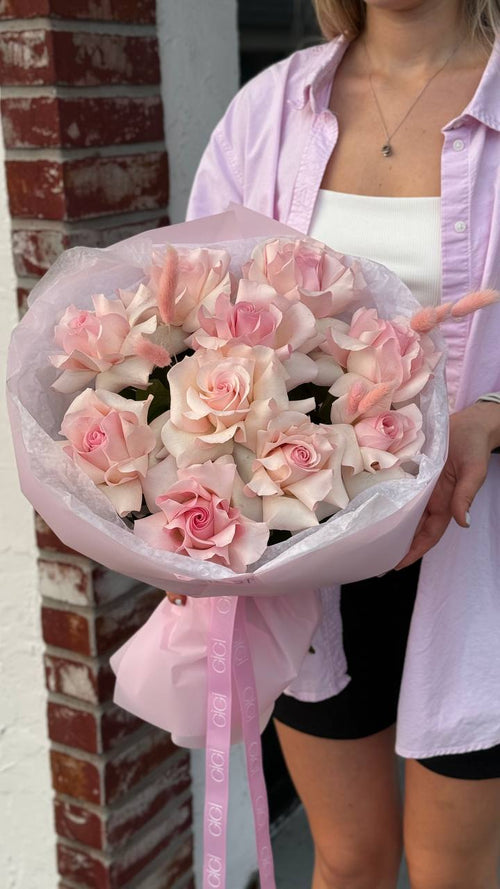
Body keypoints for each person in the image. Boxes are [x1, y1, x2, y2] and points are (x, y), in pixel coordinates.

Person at [170, 2, 500, 887]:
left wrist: (492, 413)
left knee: (452, 870)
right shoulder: (269, 111)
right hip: (308, 554)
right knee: (348, 857)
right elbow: (192, 318)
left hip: (482, 551)